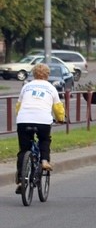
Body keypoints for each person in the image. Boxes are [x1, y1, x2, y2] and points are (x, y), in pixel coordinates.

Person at [14, 63, 66, 194]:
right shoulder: (51, 88)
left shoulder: (26, 86)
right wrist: (61, 118)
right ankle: (44, 161)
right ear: (47, 75)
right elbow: (58, 108)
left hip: (24, 120)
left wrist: (21, 116)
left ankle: (21, 179)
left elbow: (18, 106)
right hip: (43, 120)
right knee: (44, 139)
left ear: (34, 74)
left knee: (23, 149)